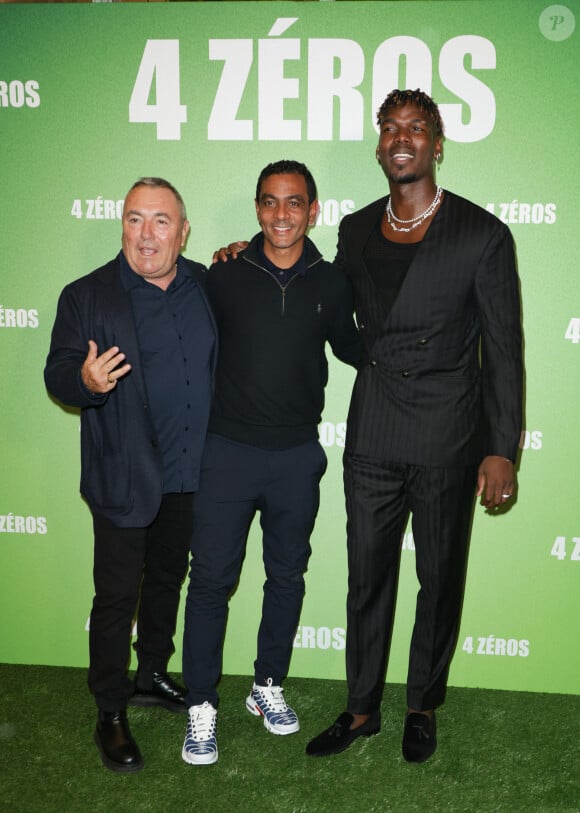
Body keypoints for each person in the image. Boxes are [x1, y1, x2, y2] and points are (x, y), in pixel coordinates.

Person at [218, 91, 523, 764]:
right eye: (391, 128)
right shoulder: (354, 231)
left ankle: (421, 703)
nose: (402, 137)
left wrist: (502, 448)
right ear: (380, 146)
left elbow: (503, 349)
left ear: (437, 145)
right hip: (376, 428)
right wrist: (254, 258)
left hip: (450, 430)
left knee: (440, 576)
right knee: (367, 576)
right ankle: (361, 708)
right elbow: (323, 296)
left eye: (416, 128)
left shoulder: (481, 233)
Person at [180, 160, 360, 766]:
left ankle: (267, 686)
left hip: (296, 457)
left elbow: (356, 349)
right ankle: (201, 703)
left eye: (294, 203)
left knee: (286, 577)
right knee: (209, 582)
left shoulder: (333, 282)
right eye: (270, 202)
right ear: (257, 210)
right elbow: (187, 343)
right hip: (226, 452)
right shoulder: (225, 274)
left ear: (314, 210)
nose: (282, 215)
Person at [44, 177, 217, 773]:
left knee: (169, 579)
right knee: (117, 598)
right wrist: (85, 383)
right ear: (122, 224)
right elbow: (58, 372)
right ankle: (110, 711)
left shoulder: (205, 285)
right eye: (135, 219)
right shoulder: (86, 294)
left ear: (183, 230)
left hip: (191, 473)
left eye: (161, 221)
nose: (147, 234)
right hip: (124, 474)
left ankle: (152, 674)